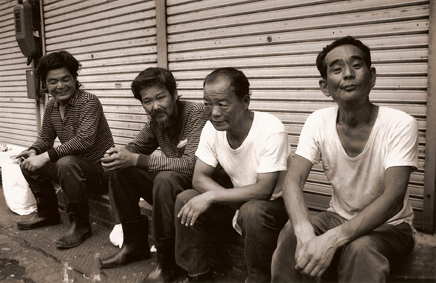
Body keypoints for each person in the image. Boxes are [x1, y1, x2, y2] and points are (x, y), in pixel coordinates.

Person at [271, 36, 418, 283]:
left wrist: (333, 238)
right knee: (291, 236)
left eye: (356, 66)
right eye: (337, 69)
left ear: (372, 77)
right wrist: (303, 229)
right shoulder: (318, 121)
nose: (348, 74)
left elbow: (392, 199)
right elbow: (292, 180)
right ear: (325, 86)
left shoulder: (400, 124)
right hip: (339, 216)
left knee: (360, 249)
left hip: (391, 225)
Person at [174, 67, 290, 283]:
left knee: (252, 210)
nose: (214, 112)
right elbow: (199, 177)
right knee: (186, 199)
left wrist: (212, 196)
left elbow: (264, 190)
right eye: (207, 103)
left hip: (274, 207)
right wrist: (222, 197)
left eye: (222, 104)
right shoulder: (211, 129)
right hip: (238, 201)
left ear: (245, 101)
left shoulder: (271, 129)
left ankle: (258, 279)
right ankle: (197, 275)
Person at [100, 67, 210, 283]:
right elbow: (136, 146)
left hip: (201, 189)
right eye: (147, 101)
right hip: (171, 189)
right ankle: (134, 245)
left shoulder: (197, 114)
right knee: (122, 170)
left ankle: (167, 263)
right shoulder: (156, 121)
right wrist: (117, 155)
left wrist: (136, 159)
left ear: (174, 94)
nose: (155, 106)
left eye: (161, 97)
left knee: (165, 178)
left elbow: (192, 165)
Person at [14, 51, 114, 249]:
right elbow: (45, 138)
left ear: (75, 79)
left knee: (65, 162)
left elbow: (84, 140)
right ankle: (47, 213)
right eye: (52, 81)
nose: (60, 86)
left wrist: (46, 156)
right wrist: (34, 151)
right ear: (45, 84)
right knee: (28, 162)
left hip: (100, 172)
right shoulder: (52, 106)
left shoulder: (89, 102)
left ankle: (81, 225)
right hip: (70, 171)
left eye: (65, 79)